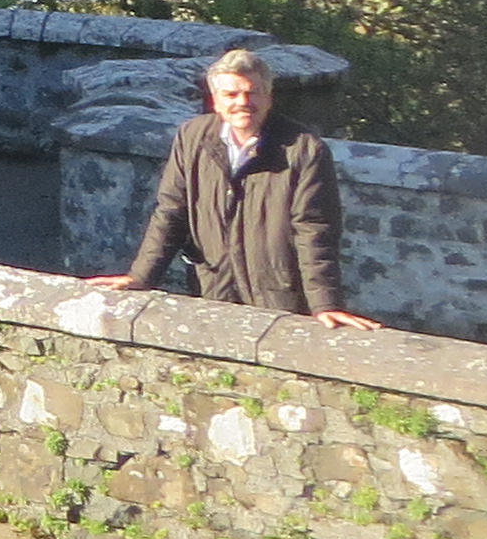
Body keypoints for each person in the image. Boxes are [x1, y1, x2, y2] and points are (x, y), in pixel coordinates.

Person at [92, 46, 375, 328]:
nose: (243, 102)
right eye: (231, 94)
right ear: (215, 101)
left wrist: (325, 303)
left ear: (268, 97)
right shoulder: (192, 137)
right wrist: (140, 277)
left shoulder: (303, 148)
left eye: (252, 93)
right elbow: (171, 211)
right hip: (213, 288)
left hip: (279, 295)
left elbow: (313, 229)